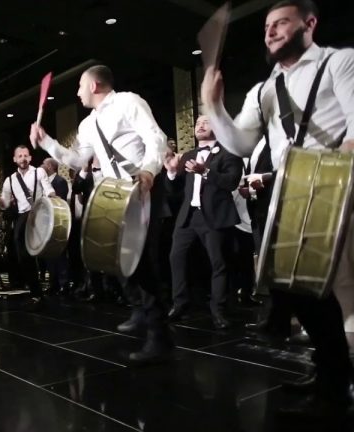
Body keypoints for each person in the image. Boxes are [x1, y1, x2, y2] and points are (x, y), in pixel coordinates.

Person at [200, 0, 354, 418]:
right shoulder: (264, 89)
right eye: (267, 25)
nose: (270, 31)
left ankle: (335, 383)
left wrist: (337, 165)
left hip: (335, 192)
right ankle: (331, 376)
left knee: (331, 291)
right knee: (303, 290)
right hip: (292, 197)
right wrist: (214, 106)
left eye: (281, 22)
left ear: (309, 23)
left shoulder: (339, 63)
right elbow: (241, 143)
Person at [30, 64, 172, 364]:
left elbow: (155, 138)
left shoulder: (128, 102)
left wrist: (149, 171)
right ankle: (139, 309)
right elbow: (76, 159)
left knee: (143, 260)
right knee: (118, 256)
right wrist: (46, 142)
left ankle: (159, 336)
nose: (77, 92)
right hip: (115, 195)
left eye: (80, 86)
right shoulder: (88, 124)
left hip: (142, 187)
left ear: (94, 85)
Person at [165, 115, 243, 329]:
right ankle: (180, 304)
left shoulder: (228, 153)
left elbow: (231, 182)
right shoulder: (188, 155)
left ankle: (218, 310)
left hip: (214, 215)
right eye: (198, 123)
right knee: (176, 257)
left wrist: (205, 171)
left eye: (206, 122)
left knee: (218, 263)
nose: (200, 125)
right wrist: (171, 172)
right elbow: (174, 191)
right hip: (188, 216)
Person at [0, 145, 55, 309]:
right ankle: (36, 293)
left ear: (30, 158)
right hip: (22, 216)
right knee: (23, 256)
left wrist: (55, 200)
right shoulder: (9, 180)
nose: (23, 158)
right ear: (14, 159)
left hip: (38, 213)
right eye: (20, 156)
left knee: (45, 253)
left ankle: (49, 288)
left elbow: (49, 191)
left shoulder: (39, 172)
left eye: (25, 155)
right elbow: (4, 205)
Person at [42, 158, 70, 295]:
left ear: (50, 166)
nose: (41, 166)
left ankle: (64, 284)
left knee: (59, 253)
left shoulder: (60, 181)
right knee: (49, 253)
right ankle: (53, 284)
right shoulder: (44, 182)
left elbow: (61, 202)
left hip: (57, 222)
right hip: (46, 222)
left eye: (44, 164)